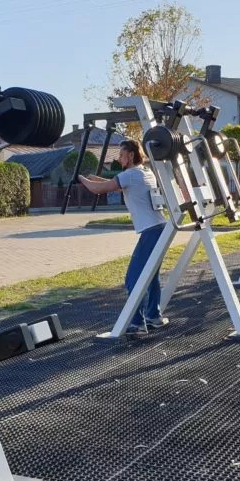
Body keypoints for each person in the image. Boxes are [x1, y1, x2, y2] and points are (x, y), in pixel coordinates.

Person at [78, 139, 168, 337]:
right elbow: (116, 186)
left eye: (121, 155)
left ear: (131, 156)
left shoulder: (130, 174)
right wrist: (96, 178)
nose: (118, 158)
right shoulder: (144, 172)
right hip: (160, 228)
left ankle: (137, 324)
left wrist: (82, 179)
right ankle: (154, 317)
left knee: (133, 279)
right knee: (150, 275)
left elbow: (99, 190)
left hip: (151, 231)